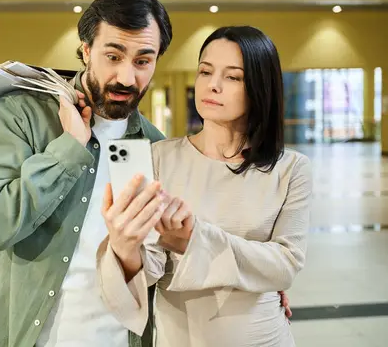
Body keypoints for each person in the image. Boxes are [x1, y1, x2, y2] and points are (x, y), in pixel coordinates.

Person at [0, 0, 172, 347]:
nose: (127, 78)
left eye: (142, 61)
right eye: (113, 56)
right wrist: (68, 149)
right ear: (86, 50)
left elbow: (161, 260)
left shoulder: (154, 146)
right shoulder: (23, 114)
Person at [98, 26, 311, 347]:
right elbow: (151, 269)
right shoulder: (156, 157)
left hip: (264, 337)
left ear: (259, 86)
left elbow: (285, 266)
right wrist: (124, 246)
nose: (213, 85)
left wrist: (195, 240)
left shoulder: (291, 168)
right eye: (205, 71)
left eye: (233, 77)